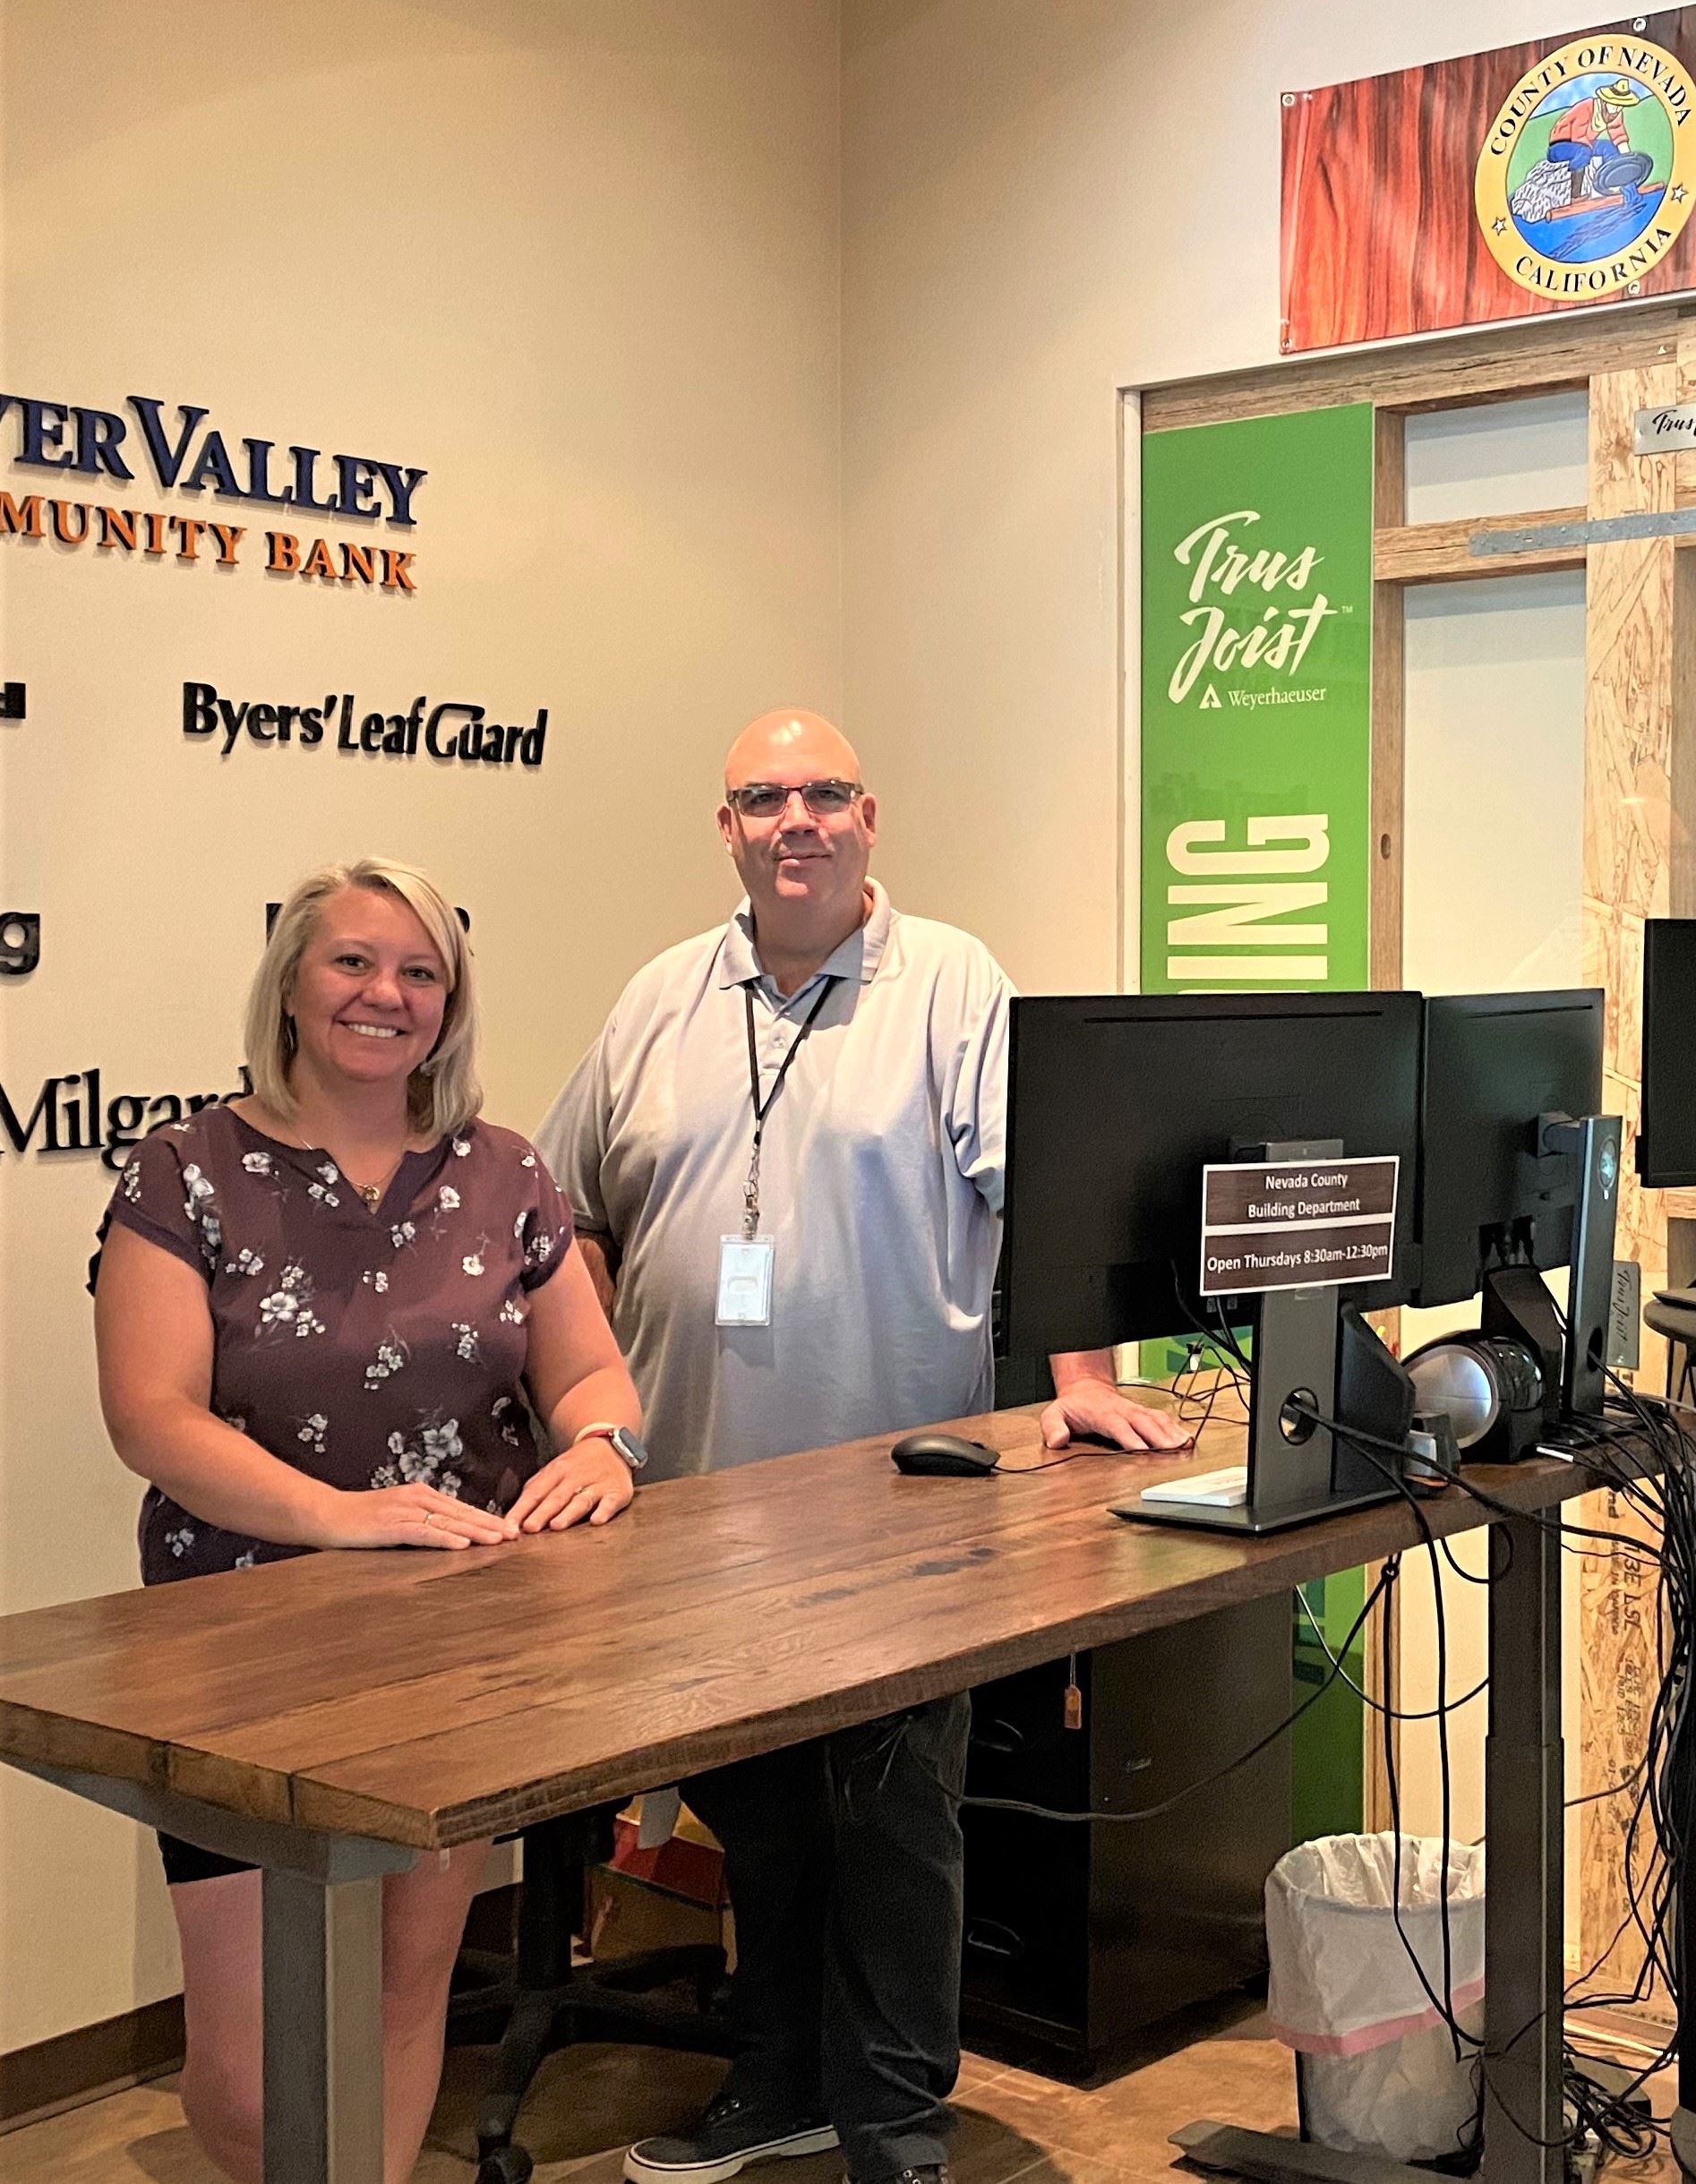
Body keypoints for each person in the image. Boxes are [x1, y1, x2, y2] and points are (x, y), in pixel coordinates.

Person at [537, 709, 1189, 2184]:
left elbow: (1045, 1196)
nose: (797, 819)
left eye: (823, 792)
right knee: (760, 1810)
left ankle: (897, 2131)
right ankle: (778, 2079)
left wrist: (1079, 1380)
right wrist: (593, 1408)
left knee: (895, 1819)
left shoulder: (948, 982)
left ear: (867, 816)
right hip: (694, 1501)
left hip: (897, 1509)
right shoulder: (658, 996)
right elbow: (562, 1215)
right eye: (763, 796)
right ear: (726, 828)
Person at [91, 858, 649, 2184]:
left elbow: (588, 1372)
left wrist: (604, 1447)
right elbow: (150, 1415)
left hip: (461, 1644)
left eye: (418, 972)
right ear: (290, 982)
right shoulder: (185, 1172)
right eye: (352, 961)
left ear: (448, 1002)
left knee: (404, 1989)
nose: (383, 993)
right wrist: (340, 1517)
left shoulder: (504, 1171)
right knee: (246, 2071)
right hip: (239, 1656)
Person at [1543, 78, 1654, 201]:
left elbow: (1619, 137)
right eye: (1615, 104)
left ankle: (1616, 185)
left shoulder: (1615, 114)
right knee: (1583, 151)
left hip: (1585, 143)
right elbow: (1578, 136)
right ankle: (1575, 196)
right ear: (1605, 101)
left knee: (1610, 148)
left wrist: (1629, 161)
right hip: (1559, 147)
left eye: (1621, 106)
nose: (1617, 109)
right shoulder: (1587, 107)